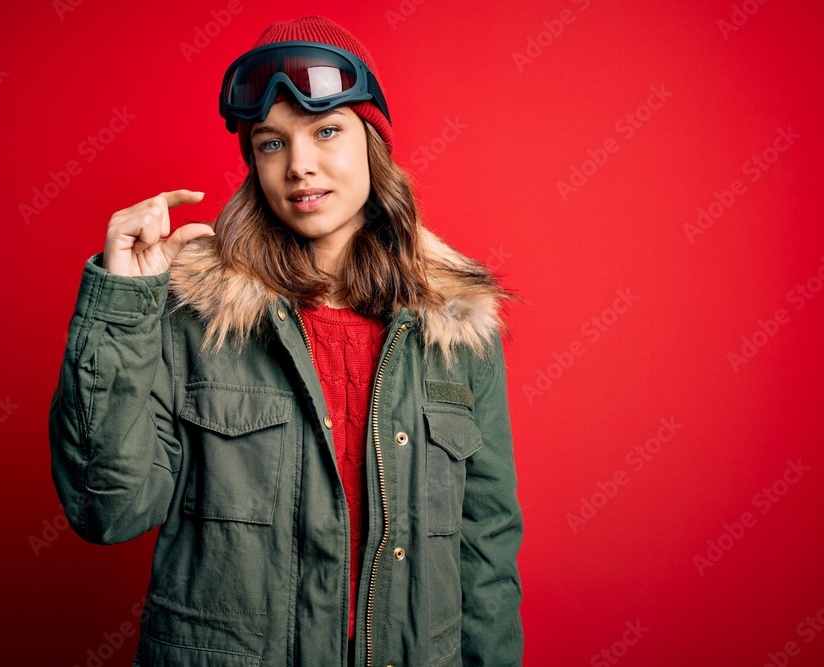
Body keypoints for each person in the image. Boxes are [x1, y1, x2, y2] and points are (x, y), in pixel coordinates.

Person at [48, 15, 523, 667]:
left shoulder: (457, 326)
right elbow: (107, 509)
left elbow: (487, 547)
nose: (299, 165)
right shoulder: (195, 315)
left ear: (372, 143)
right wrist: (123, 305)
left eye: (326, 131)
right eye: (271, 143)